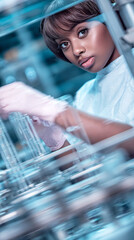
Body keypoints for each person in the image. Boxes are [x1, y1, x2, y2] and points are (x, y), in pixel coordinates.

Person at [0, 0, 134, 155]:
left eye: (82, 32)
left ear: (110, 17)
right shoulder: (85, 95)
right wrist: (56, 141)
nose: (76, 50)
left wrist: (56, 112)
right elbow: (86, 171)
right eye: (64, 44)